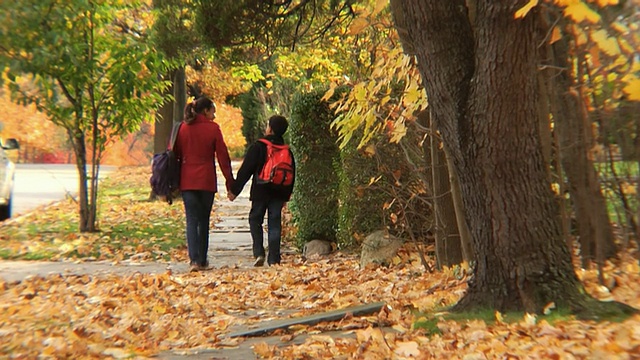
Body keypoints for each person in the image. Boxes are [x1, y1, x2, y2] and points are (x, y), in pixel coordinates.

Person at [173, 96, 235, 272]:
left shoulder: (183, 128)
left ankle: (193, 260)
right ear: (206, 110)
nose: (214, 116)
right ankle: (202, 259)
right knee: (203, 220)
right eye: (213, 111)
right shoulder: (213, 129)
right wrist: (230, 183)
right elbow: (223, 158)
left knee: (191, 220)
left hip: (187, 180)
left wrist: (175, 181)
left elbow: (175, 155)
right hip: (206, 181)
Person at [230, 115, 295, 267]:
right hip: (279, 192)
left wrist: (234, 190)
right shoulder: (287, 151)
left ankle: (259, 252)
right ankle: (274, 258)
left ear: (270, 129)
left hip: (261, 190)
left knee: (255, 219)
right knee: (274, 223)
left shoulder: (259, 147)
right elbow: (292, 173)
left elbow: (246, 170)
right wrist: (287, 194)